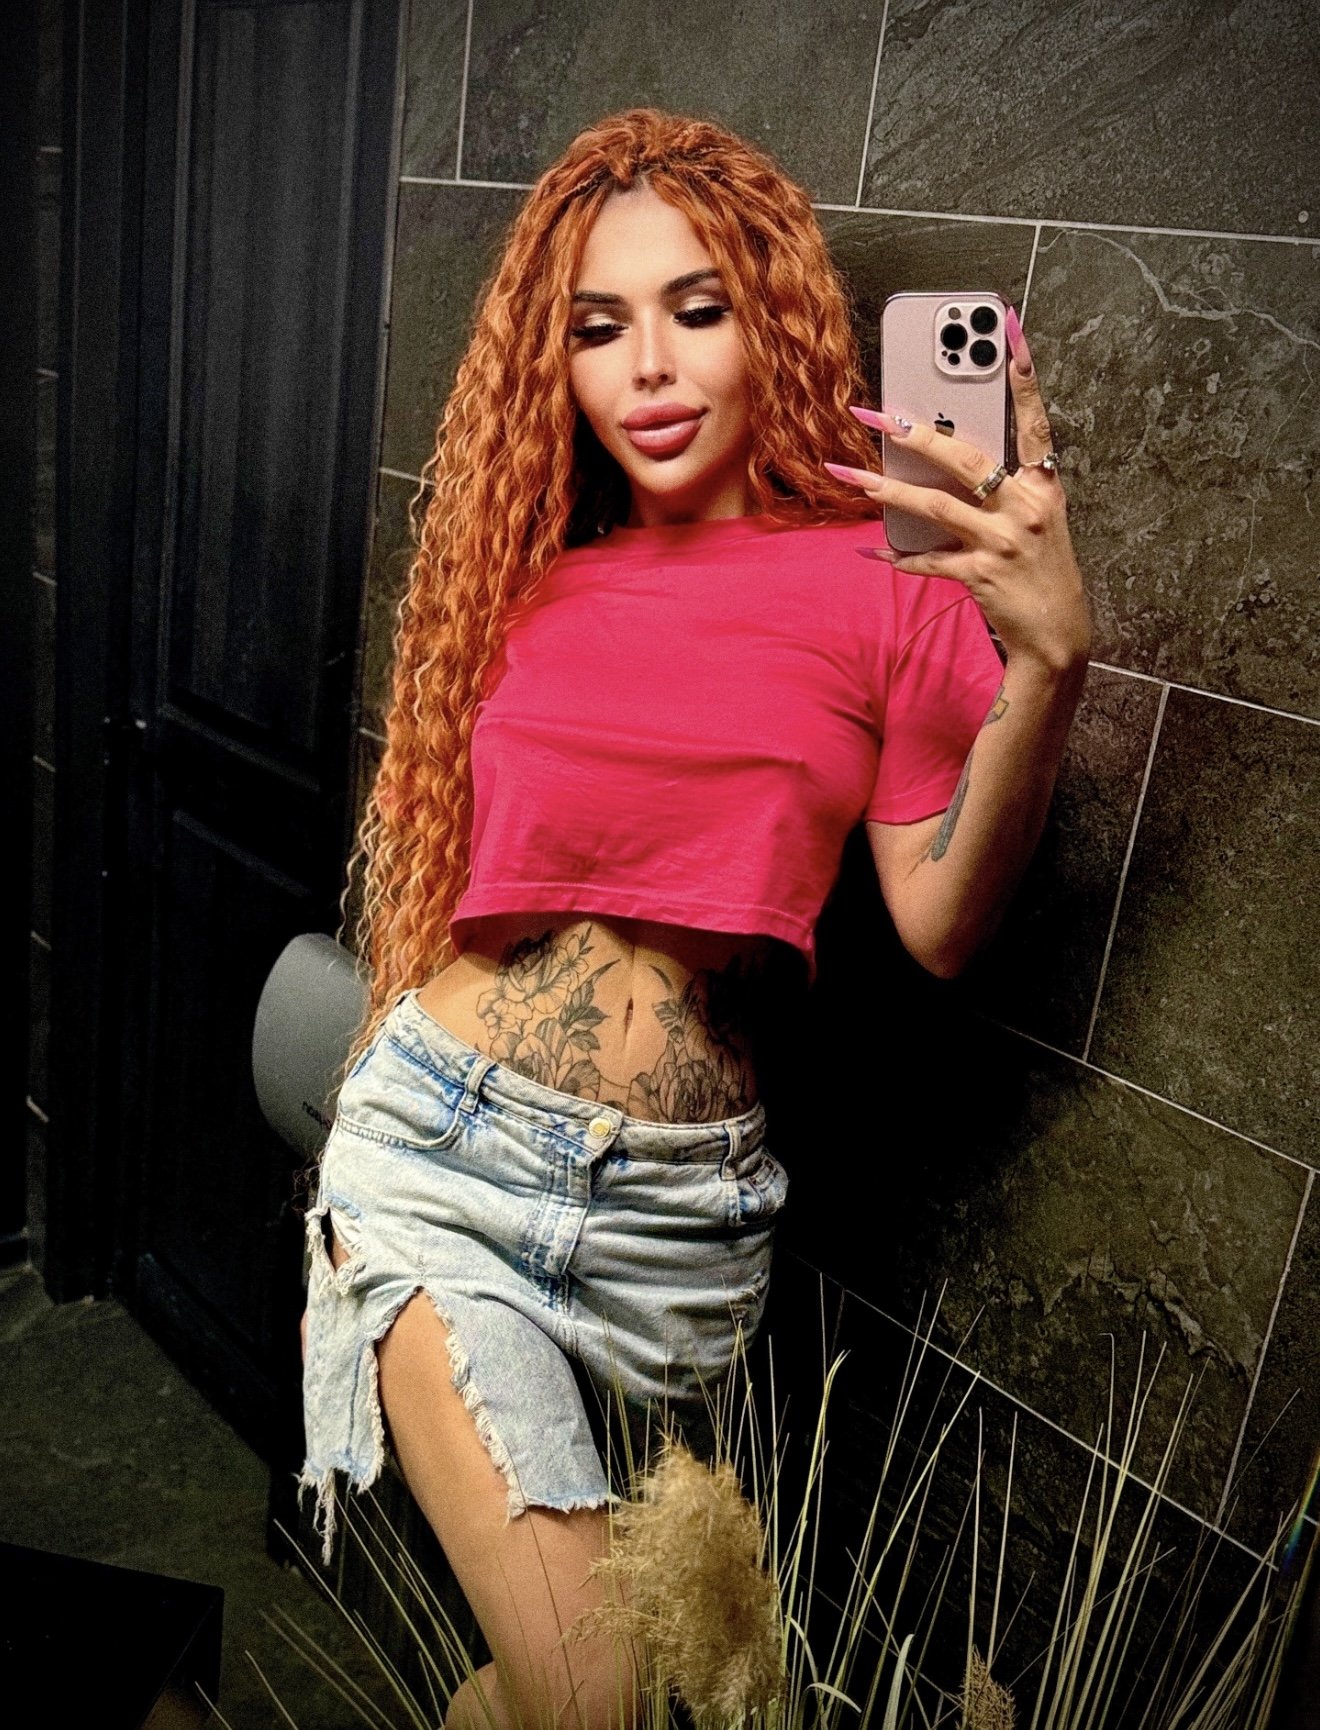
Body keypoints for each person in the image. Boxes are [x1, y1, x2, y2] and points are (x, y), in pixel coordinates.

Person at [299, 108, 1090, 1730]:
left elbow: (941, 923)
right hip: (442, 1166)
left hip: (683, 1230)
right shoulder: (526, 575)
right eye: (598, 328)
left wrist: (1049, 665)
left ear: (772, 317)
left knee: (583, 1694)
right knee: (597, 1693)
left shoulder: (887, 584)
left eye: (696, 309)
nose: (647, 368)